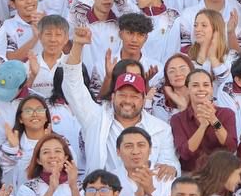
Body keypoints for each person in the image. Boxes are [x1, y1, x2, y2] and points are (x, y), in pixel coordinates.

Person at [64, 25, 179, 175]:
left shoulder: (161, 129)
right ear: (113, 96)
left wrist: (171, 168)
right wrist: (77, 45)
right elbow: (73, 85)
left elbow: (170, 163)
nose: (128, 101)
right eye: (123, 95)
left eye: (134, 96)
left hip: (143, 189)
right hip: (101, 189)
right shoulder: (95, 118)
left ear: (143, 99)